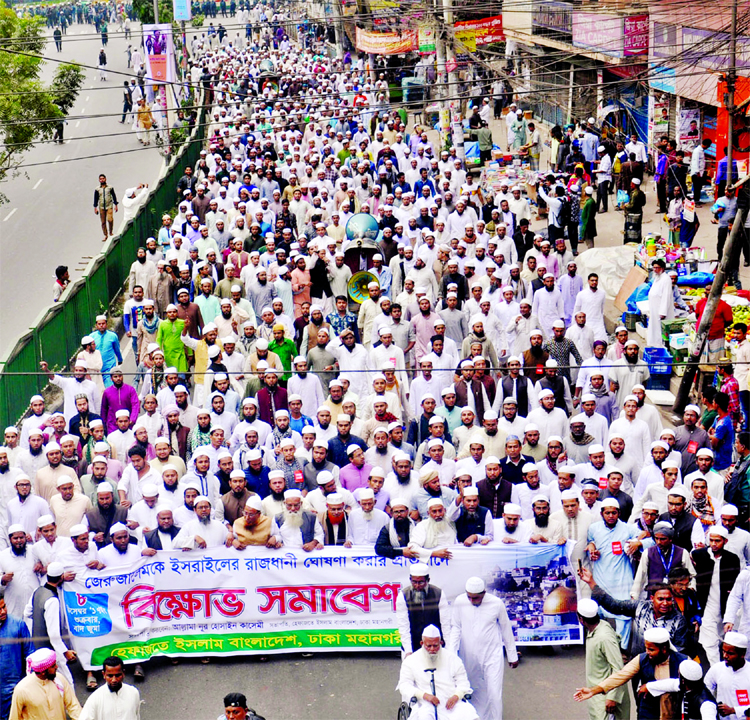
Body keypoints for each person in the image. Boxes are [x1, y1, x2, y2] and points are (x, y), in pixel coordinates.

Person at [574, 626, 687, 719]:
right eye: (646, 648)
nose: (647, 652)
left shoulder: (684, 662)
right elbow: (619, 676)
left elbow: (689, 686)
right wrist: (593, 690)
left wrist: (650, 687)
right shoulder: (641, 659)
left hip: (673, 713)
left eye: (651, 650)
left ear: (664, 649)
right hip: (647, 712)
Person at [448, 577, 518, 720]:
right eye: (469, 597)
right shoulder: (460, 602)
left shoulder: (496, 604)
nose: (472, 601)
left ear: (484, 593)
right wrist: (450, 654)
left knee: (494, 693)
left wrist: (512, 655)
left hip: (492, 655)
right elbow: (456, 627)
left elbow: (506, 629)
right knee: (472, 690)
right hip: (468, 655)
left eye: (476, 598)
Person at [397, 625, 478, 720]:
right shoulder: (410, 661)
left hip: (451, 701)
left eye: (435, 646)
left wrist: (457, 696)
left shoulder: (453, 659)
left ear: (441, 643)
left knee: (468, 714)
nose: (432, 649)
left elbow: (463, 683)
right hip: (425, 703)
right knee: (424, 716)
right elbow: (404, 685)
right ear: (422, 643)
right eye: (429, 646)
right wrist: (424, 695)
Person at [576, 598, 630, 720]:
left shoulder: (604, 637)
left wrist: (612, 697)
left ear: (581, 620)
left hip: (606, 698)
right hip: (596, 694)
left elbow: (618, 668)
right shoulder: (598, 628)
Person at [7, 647, 81, 720]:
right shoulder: (22, 690)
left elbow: (73, 706)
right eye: (53, 666)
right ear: (43, 672)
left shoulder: (60, 679)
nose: (56, 667)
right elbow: (15, 717)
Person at [395, 563, 450, 657]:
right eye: (414, 582)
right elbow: (403, 625)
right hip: (412, 644)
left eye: (420, 582)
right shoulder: (403, 595)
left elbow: (445, 623)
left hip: (434, 645)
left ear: (428, 580)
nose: (417, 586)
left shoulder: (438, 593)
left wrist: (449, 648)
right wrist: (408, 650)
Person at [0, 587, 34, 720]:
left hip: (14, 687)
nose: (3, 611)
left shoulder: (18, 625)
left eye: (4, 606)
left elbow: (30, 655)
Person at [79, 655, 141, 720]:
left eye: (117, 675)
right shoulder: (95, 699)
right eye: (110, 676)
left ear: (123, 673)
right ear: (104, 675)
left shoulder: (133, 693)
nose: (114, 680)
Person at [94, 174, 118, 241]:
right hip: (101, 207)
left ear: (105, 179)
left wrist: (116, 205)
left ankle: (111, 232)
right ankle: (105, 235)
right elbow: (95, 198)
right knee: (103, 222)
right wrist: (95, 207)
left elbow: (113, 196)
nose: (102, 180)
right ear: (99, 180)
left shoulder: (110, 188)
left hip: (109, 206)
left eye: (103, 178)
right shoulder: (97, 189)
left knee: (110, 219)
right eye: (100, 179)